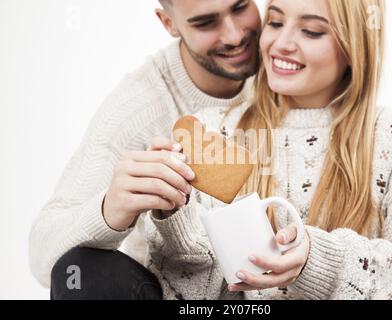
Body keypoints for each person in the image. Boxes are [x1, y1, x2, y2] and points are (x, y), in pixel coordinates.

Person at [126, 0, 392, 299]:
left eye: (311, 31)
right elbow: (189, 298)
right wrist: (175, 220)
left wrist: (319, 261)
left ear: (355, 45)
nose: (280, 44)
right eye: (276, 22)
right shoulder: (209, 134)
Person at [29, 0, 262, 300]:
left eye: (240, 6)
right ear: (169, 24)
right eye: (205, 23)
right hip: (177, 295)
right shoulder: (138, 107)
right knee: (80, 270)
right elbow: (42, 257)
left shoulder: (294, 59)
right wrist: (110, 210)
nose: (233, 35)